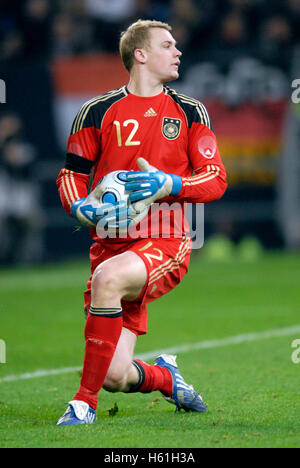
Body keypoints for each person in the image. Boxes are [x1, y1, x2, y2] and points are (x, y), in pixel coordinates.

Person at [56, 19, 227, 425]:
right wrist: (82, 208)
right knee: (115, 375)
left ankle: (83, 404)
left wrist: (168, 182)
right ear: (140, 54)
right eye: (168, 45)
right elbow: (71, 176)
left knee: (108, 280)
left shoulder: (189, 110)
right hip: (110, 244)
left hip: (166, 238)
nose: (178, 52)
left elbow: (215, 179)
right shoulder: (95, 112)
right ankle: (165, 378)